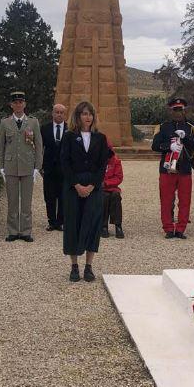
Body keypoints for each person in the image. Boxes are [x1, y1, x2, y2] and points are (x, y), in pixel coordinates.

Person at [60, 101, 109, 282]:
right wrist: (76, 185)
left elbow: (103, 164)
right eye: (84, 113)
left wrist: (93, 185)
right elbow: (64, 163)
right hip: (74, 187)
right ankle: (74, 266)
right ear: (78, 116)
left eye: (90, 114)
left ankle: (88, 266)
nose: (87, 117)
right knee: (73, 224)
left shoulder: (100, 138)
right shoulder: (69, 137)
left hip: (93, 187)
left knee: (92, 224)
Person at [151, 98, 194, 239]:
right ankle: (168, 228)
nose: (178, 113)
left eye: (180, 110)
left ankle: (181, 229)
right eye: (175, 110)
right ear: (171, 111)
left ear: (184, 110)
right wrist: (169, 146)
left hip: (185, 167)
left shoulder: (191, 128)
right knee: (166, 200)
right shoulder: (163, 127)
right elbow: (155, 145)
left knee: (185, 200)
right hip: (167, 168)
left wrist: (186, 138)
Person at [0, 91, 43, 242]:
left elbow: (38, 145)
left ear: (25, 104)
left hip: (28, 166)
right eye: (15, 102)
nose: (18, 105)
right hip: (10, 166)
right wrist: (1, 166)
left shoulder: (33, 122)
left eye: (20, 102)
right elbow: (1, 146)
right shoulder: (5, 122)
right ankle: (12, 231)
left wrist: (37, 166)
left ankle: (25, 231)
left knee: (26, 201)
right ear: (11, 105)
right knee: (12, 200)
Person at [40, 104, 67, 232]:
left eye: (62, 112)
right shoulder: (44, 128)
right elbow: (39, 148)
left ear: (65, 115)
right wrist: (39, 166)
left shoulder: (70, 129)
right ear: (52, 113)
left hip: (64, 170)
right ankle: (51, 222)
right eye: (57, 112)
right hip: (49, 168)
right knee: (49, 196)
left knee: (63, 196)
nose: (59, 114)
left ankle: (61, 222)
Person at [101, 140, 125, 239]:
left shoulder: (116, 161)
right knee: (105, 197)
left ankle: (118, 225)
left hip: (112, 187)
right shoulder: (96, 161)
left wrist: (106, 183)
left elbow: (119, 177)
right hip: (100, 189)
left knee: (115, 197)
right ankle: (103, 226)